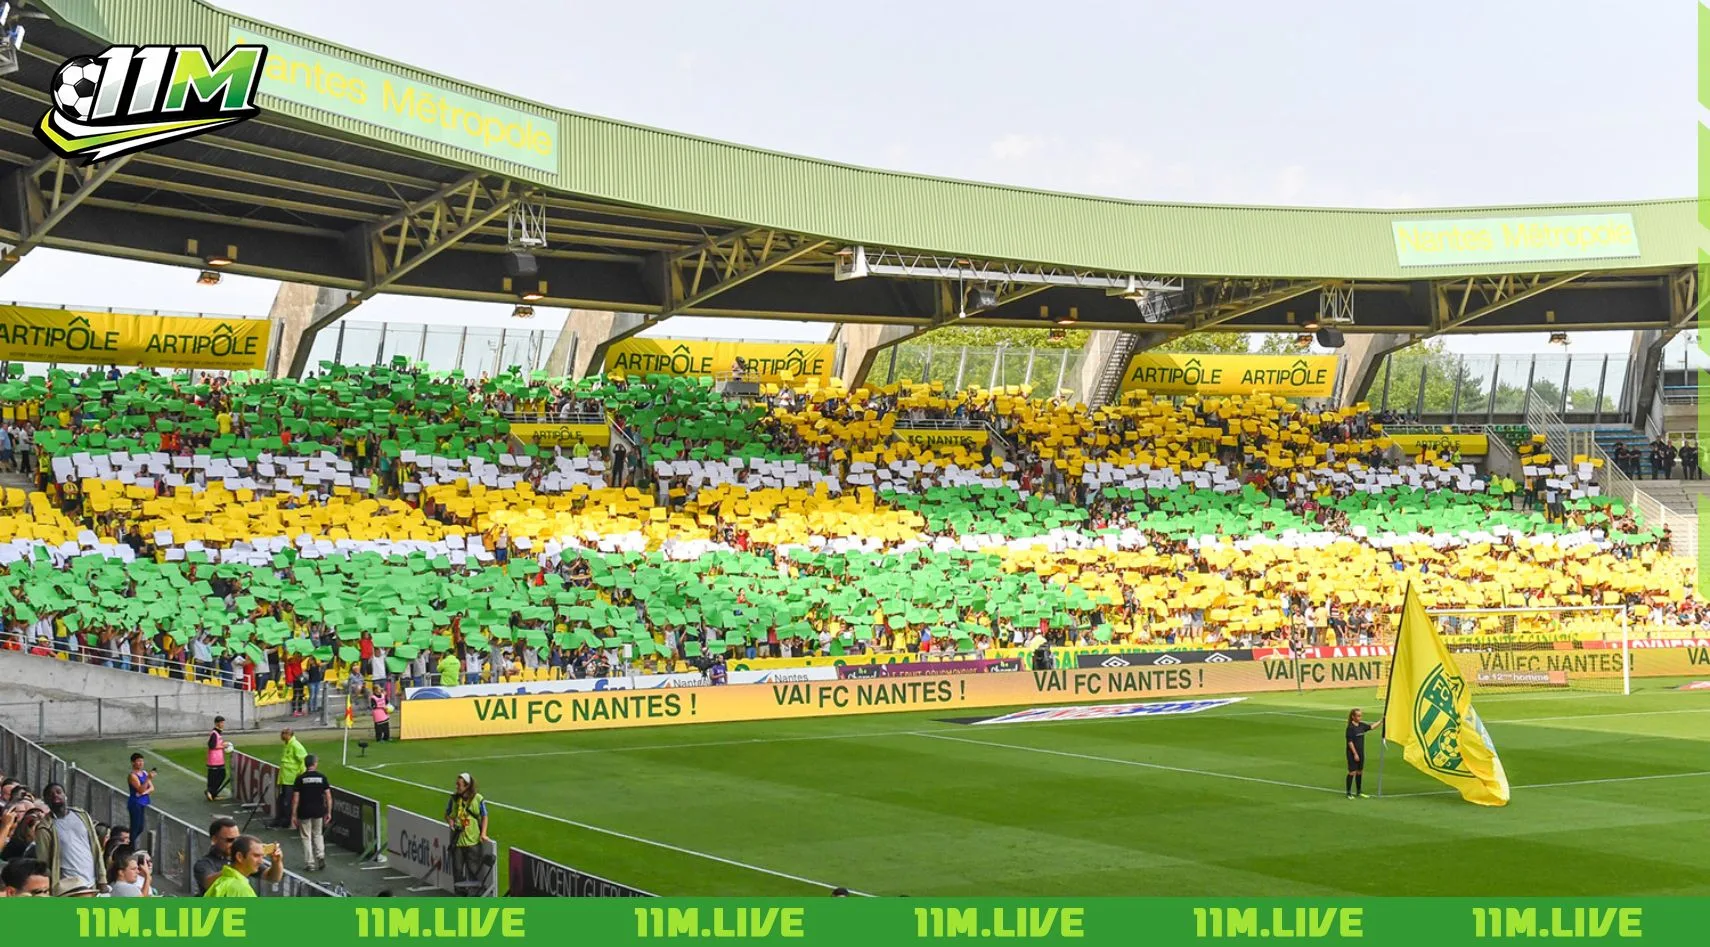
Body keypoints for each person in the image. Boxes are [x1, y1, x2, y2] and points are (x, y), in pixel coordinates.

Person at [36, 782, 106, 894]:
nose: (55, 795)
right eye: (50, 794)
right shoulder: (44, 828)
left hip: (91, 882)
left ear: (65, 795)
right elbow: (43, 861)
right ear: (45, 800)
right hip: (68, 887)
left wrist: (102, 878)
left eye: (58, 792)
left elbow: (96, 847)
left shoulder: (82, 815)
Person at [444, 773, 489, 897]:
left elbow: (485, 815)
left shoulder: (478, 798)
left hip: (473, 842)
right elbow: (447, 814)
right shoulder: (453, 799)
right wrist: (450, 820)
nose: (456, 786)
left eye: (459, 784)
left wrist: (483, 833)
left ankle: (475, 899)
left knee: (474, 871)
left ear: (467, 786)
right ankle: (460, 898)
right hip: (457, 842)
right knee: (457, 872)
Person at [291, 754, 332, 871]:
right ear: (315, 764)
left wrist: (293, 815)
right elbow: (328, 797)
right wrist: (329, 812)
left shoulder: (300, 779)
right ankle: (321, 856)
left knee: (306, 836)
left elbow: (295, 799)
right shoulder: (322, 777)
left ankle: (310, 863)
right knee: (318, 834)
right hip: (318, 810)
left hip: (304, 810)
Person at [204, 836, 274, 898]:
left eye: (262, 856)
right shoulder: (242, 890)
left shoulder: (219, 882)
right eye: (256, 856)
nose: (261, 862)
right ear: (239, 857)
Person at [1345, 708, 1383, 799]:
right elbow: (1350, 742)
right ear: (1353, 717)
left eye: (1360, 715)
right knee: (1352, 772)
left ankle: (1359, 791)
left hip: (1361, 752)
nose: (1360, 717)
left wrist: (1381, 721)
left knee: (1359, 771)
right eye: (1358, 716)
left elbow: (1371, 727)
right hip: (1352, 753)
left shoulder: (1361, 726)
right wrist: (1355, 754)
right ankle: (1348, 792)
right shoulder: (1350, 728)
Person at [273, 728, 307, 829]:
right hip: (285, 778)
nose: (281, 735)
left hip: (292, 779)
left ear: (289, 734)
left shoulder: (295, 745)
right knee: (282, 800)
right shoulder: (287, 744)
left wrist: (300, 775)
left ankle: (286, 821)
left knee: (287, 801)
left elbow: (304, 760)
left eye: (283, 733)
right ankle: (280, 819)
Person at [125, 753, 154, 845]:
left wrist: (143, 793)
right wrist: (147, 780)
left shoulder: (144, 773)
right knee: (135, 827)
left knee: (140, 827)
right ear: (133, 763)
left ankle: (129, 842)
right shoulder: (132, 776)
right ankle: (130, 845)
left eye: (142, 760)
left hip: (141, 802)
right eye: (138, 761)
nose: (141, 763)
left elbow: (152, 788)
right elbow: (140, 789)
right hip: (135, 803)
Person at [205, 715, 233, 802]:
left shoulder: (216, 733)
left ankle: (212, 794)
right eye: (221, 722)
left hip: (216, 759)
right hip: (215, 760)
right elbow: (211, 746)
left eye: (223, 722)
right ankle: (210, 791)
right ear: (217, 723)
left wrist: (222, 745)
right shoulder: (214, 733)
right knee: (220, 775)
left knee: (214, 777)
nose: (223, 724)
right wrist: (223, 746)